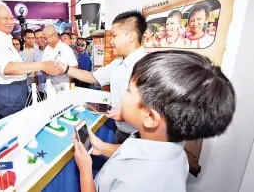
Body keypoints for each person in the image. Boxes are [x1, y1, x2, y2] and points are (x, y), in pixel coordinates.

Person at [74, 50, 236, 192]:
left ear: (151, 118)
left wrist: (85, 170)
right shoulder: (169, 147)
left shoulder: (137, 183)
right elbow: (132, 152)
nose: (123, 93)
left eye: (129, 90)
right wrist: (102, 147)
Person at [57, 10, 147, 144]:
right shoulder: (117, 63)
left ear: (131, 36)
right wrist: (66, 69)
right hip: (121, 131)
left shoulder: (149, 66)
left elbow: (154, 110)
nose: (111, 41)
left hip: (142, 137)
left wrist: (126, 115)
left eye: (114, 36)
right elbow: (93, 77)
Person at [0, 0, 59, 118]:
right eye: (5, 19)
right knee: (13, 128)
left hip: (17, 90)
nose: (10, 22)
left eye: (11, 18)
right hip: (9, 92)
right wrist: (42, 65)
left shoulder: (4, 38)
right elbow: (7, 68)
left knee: (22, 123)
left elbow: (17, 66)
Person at [42, 25, 78, 91]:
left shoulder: (66, 49)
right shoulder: (47, 48)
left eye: (45, 38)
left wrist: (61, 71)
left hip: (63, 87)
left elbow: (75, 68)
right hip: (49, 87)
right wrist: (46, 71)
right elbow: (42, 66)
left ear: (53, 36)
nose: (45, 41)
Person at [33, 30, 48, 99]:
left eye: (41, 37)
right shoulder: (36, 52)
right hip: (41, 88)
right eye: (37, 38)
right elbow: (36, 71)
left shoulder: (53, 50)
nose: (39, 40)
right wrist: (36, 84)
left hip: (54, 87)